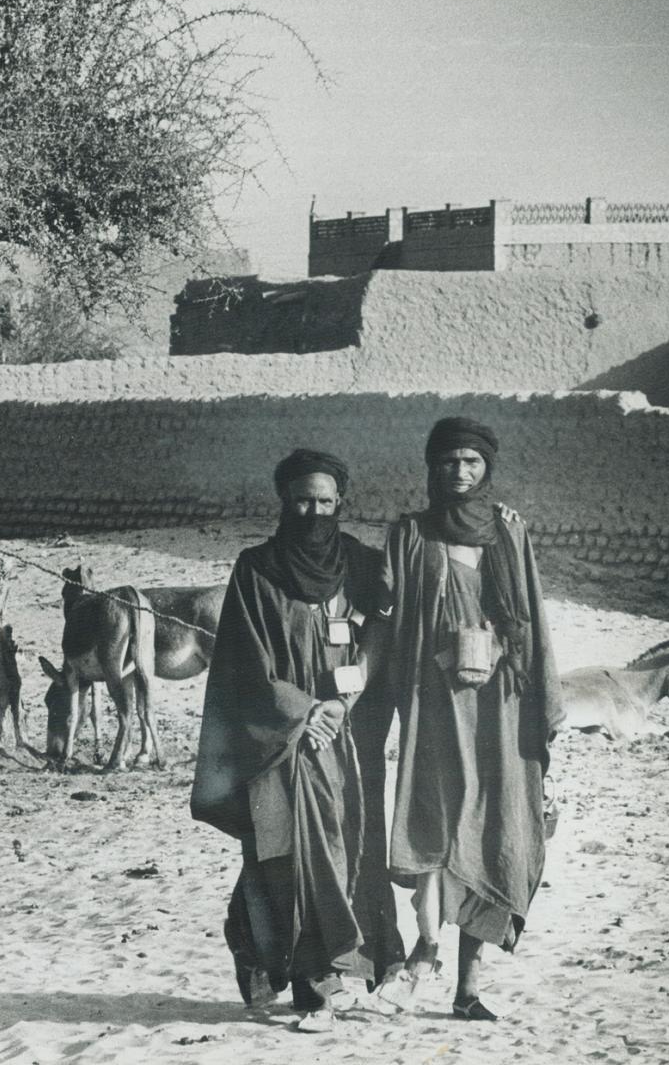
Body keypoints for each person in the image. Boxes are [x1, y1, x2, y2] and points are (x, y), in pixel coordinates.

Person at [371, 417, 563, 1022]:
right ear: (432, 467)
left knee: (492, 829)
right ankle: (425, 950)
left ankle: (468, 988)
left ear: (487, 468)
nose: (460, 472)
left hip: (498, 711)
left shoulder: (509, 532)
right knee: (434, 824)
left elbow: (530, 618)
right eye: (449, 461)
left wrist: (540, 706)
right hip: (432, 705)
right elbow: (383, 610)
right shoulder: (409, 534)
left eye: (471, 462)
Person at [190, 448, 384, 1032]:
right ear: (284, 499)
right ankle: (315, 986)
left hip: (337, 733)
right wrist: (302, 712)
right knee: (288, 854)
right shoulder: (256, 568)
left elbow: (378, 634)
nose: (315, 511)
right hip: (275, 739)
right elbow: (244, 664)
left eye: (326, 502)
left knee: (333, 847)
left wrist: (340, 703)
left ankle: (251, 943)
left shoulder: (358, 565)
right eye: (303, 499)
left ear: (341, 503)